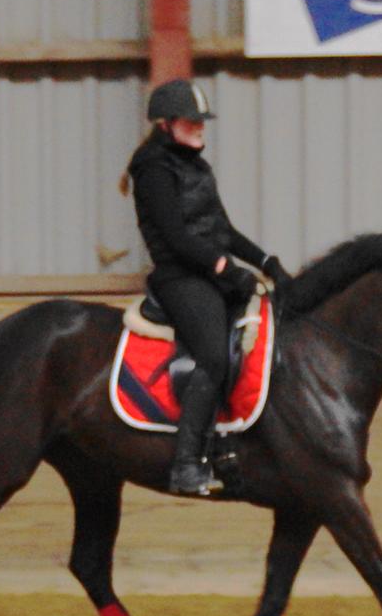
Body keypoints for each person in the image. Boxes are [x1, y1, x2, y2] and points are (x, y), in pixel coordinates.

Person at [124, 78, 292, 496]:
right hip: (179, 278)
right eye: (191, 120)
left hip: (207, 273)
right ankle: (186, 464)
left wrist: (266, 261)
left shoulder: (195, 165)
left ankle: (225, 441)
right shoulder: (153, 169)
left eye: (202, 120)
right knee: (214, 356)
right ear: (165, 124)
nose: (200, 126)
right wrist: (224, 269)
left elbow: (222, 230)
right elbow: (177, 237)